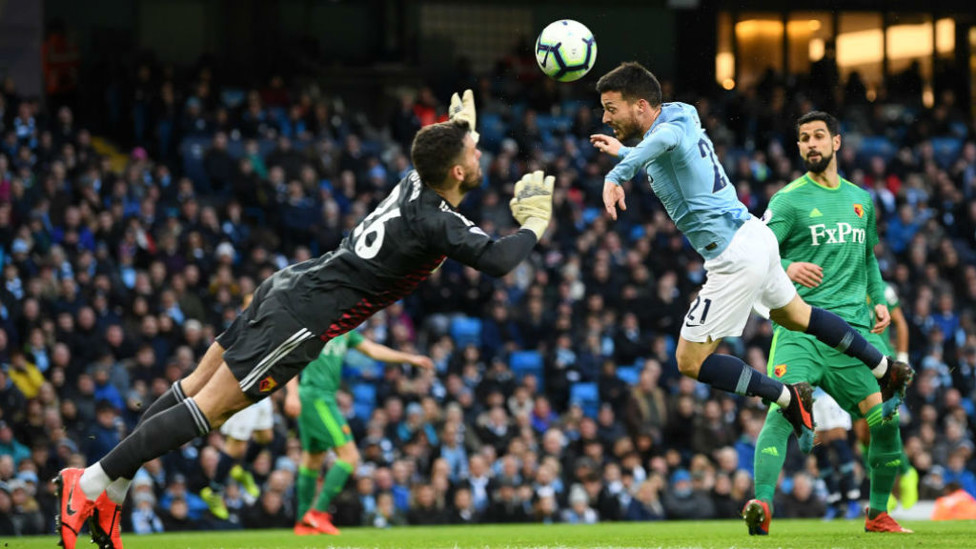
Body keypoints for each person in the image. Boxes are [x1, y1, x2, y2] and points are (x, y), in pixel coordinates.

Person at [55, 90, 556, 549]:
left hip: (290, 284)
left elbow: (436, 161)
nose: (480, 154)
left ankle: (110, 493)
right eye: (474, 151)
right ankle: (93, 480)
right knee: (211, 410)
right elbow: (496, 260)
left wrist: (458, 127)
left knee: (190, 388)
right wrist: (534, 223)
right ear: (459, 173)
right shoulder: (437, 220)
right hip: (302, 316)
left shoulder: (416, 183)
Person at [590, 63, 912, 456]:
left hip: (734, 255)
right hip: (754, 237)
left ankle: (788, 398)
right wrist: (625, 152)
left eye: (611, 108)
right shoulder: (682, 113)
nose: (605, 118)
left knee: (689, 361)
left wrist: (616, 173)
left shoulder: (668, 131)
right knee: (797, 316)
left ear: (640, 106)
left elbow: (662, 143)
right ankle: (885, 368)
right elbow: (666, 152)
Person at [743, 111, 912, 535]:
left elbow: (869, 258)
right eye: (803, 138)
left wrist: (878, 301)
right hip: (800, 329)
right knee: (785, 408)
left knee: (884, 420)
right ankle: (761, 503)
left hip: (853, 334)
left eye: (819, 136)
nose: (811, 144)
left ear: (837, 142)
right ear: (799, 147)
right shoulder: (787, 201)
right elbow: (754, 257)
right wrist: (787, 264)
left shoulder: (862, 200)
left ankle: (877, 513)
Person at [283, 329, 434, 535]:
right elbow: (289, 356)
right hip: (316, 397)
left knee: (313, 460)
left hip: (321, 397)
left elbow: (372, 349)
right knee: (350, 457)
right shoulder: (314, 322)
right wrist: (291, 393)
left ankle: (303, 522)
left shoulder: (345, 330)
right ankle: (318, 513)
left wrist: (410, 358)